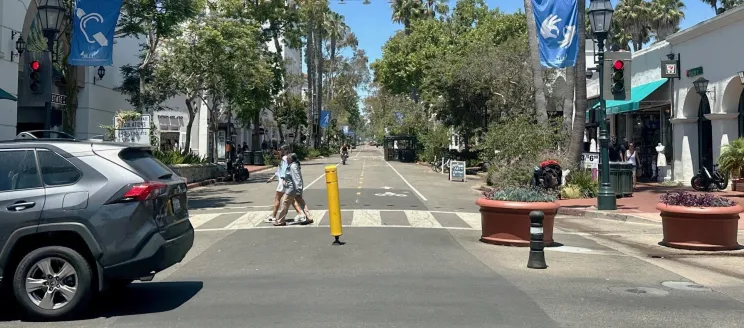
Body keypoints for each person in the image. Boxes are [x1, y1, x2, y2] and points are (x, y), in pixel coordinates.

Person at [265, 145, 301, 223]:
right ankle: (300, 214)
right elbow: (279, 170)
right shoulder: (287, 158)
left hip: (283, 181)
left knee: (277, 198)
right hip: (285, 180)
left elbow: (284, 170)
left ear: (285, 150)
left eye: (280, 150)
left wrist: (284, 179)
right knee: (291, 199)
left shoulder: (285, 158)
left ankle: (273, 216)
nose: (279, 151)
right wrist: (273, 177)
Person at [274, 153, 311, 226]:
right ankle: (309, 217)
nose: (286, 160)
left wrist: (298, 189)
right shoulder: (293, 165)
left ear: (291, 159)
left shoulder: (293, 166)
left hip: (292, 189)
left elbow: (297, 178)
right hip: (294, 188)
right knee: (301, 203)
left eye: (288, 159)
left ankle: (281, 220)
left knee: (284, 203)